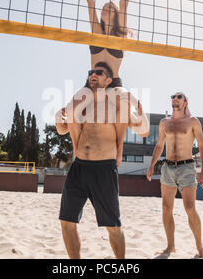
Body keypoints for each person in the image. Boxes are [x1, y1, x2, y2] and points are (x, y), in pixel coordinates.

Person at [56, 63, 145, 259]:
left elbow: (143, 129)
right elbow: (62, 129)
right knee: (66, 221)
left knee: (113, 226)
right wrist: (58, 118)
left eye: (98, 72)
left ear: (108, 80)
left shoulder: (117, 105)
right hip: (79, 167)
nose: (92, 75)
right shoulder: (83, 104)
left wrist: (137, 103)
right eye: (90, 72)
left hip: (103, 168)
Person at [65, 0, 147, 154]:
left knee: (127, 111)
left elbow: (124, 4)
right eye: (104, 9)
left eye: (110, 9)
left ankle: (120, 150)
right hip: (92, 82)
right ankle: (76, 151)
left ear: (116, 14)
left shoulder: (120, 36)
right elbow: (90, 4)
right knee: (69, 113)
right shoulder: (96, 32)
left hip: (114, 83)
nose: (105, 10)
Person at [146, 92, 203, 259]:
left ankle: (200, 247)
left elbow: (202, 147)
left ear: (186, 102)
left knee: (189, 208)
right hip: (167, 168)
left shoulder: (193, 122)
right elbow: (159, 145)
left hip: (186, 167)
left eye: (179, 96)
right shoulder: (164, 122)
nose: (175, 98)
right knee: (166, 209)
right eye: (173, 96)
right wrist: (152, 165)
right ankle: (170, 246)